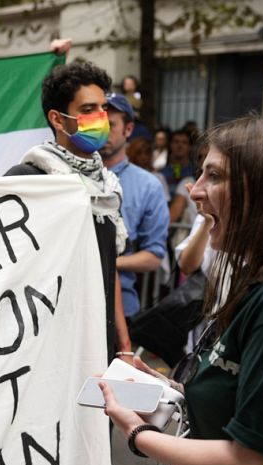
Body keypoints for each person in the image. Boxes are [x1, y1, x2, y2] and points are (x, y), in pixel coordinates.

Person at [101, 116, 263, 465]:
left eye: (215, 176)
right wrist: (175, 390)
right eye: (201, 172)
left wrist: (138, 434)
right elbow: (247, 398)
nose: (194, 188)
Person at [4, 61, 131, 362]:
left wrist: (124, 346)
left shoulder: (108, 189)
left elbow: (107, 268)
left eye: (103, 107)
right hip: (44, 342)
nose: (101, 118)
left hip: (96, 338)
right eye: (88, 109)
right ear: (58, 120)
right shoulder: (29, 179)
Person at [100, 94, 169, 319]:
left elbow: (154, 256)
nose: (101, 130)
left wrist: (105, 262)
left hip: (119, 309)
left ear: (128, 130)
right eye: (95, 123)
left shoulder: (149, 186)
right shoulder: (68, 176)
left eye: (110, 125)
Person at [159, 129, 196, 199]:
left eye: (184, 142)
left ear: (190, 147)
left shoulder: (196, 172)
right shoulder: (161, 173)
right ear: (170, 145)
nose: (180, 145)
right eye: (176, 142)